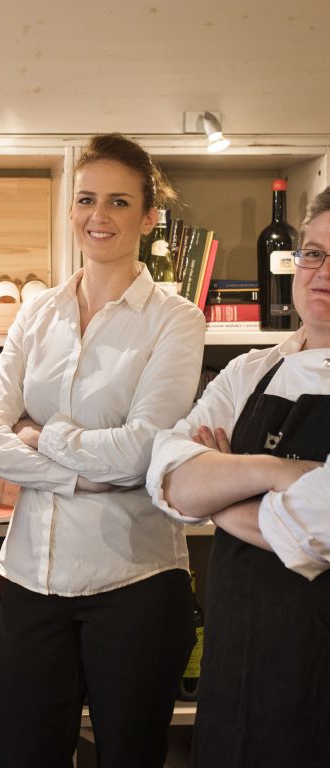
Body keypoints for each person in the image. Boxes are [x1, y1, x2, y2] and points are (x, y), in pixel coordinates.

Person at [0, 133, 207, 768]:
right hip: (28, 580)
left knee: (131, 756)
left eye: (118, 202)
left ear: (148, 217)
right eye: (85, 199)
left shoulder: (176, 319)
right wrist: (84, 475)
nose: (97, 216)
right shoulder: (36, 311)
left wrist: (41, 433)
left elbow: (140, 452)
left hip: (134, 583)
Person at [146, 187, 330, 768]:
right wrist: (278, 472)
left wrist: (222, 494)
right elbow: (170, 479)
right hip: (238, 664)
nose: (322, 273)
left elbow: (317, 531)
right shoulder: (250, 369)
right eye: (314, 253)